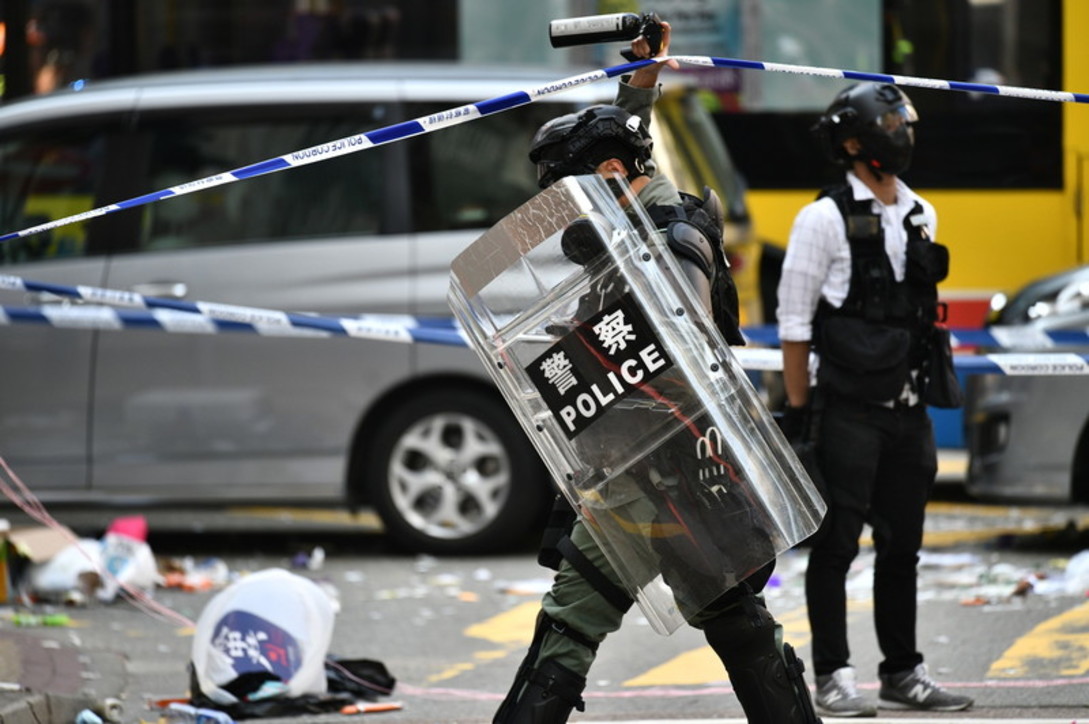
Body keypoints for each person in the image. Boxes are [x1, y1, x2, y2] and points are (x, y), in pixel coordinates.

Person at [492, 23, 821, 724]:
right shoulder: (631, 217)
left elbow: (681, 348)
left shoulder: (669, 238)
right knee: (730, 630)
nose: (569, 212)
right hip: (642, 475)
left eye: (574, 191)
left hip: (664, 476)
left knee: (579, 633)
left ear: (608, 179)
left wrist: (582, 362)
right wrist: (642, 76)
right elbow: (625, 139)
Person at [775, 82, 973, 717]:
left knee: (902, 548)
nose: (903, 132)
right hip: (846, 413)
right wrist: (803, 416)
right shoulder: (822, 218)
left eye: (904, 121)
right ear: (854, 142)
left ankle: (903, 673)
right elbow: (795, 325)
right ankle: (833, 676)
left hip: (907, 413)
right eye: (890, 122)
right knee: (836, 547)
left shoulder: (920, 212)